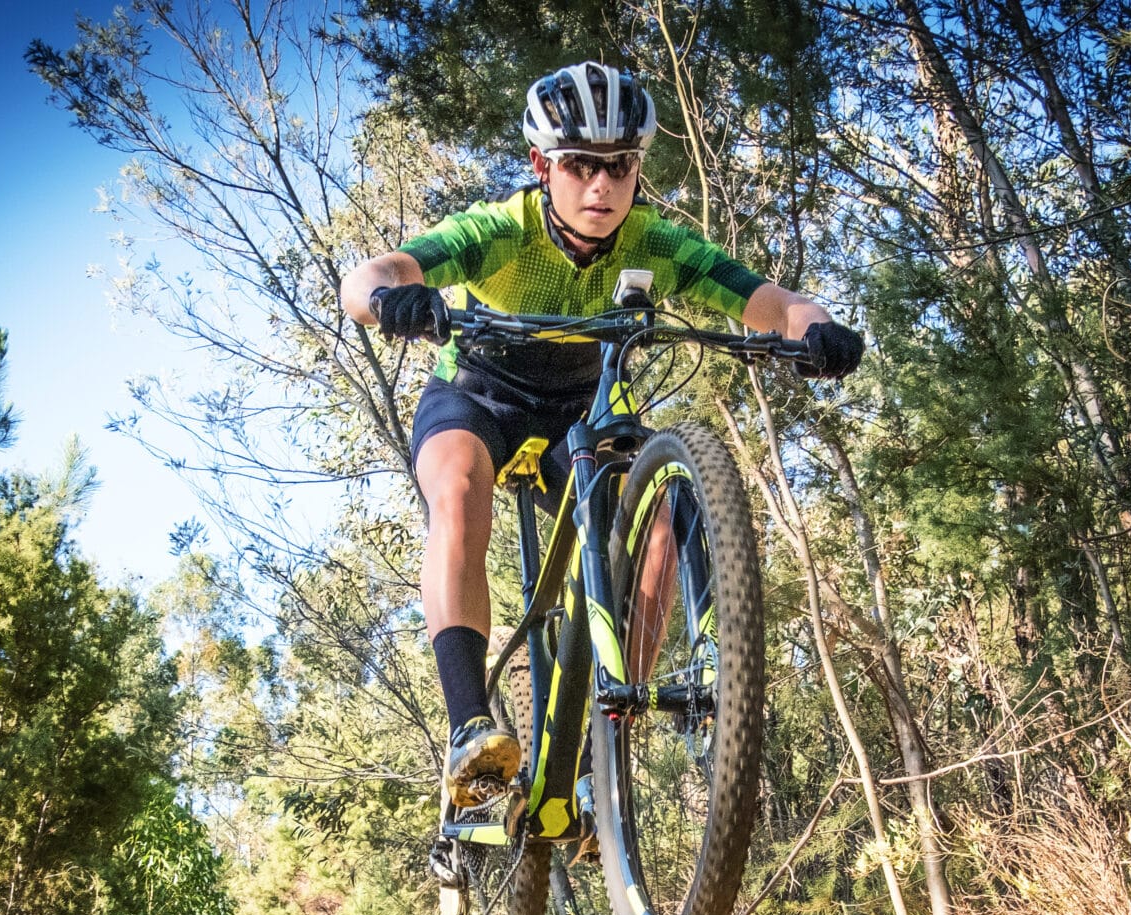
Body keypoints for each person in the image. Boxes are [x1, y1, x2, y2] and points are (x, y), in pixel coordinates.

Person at [341, 60, 864, 807]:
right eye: (580, 164)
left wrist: (818, 331)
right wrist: (391, 298)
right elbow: (372, 272)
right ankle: (469, 728)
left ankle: (601, 760)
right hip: (474, 399)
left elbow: (772, 302)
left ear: (637, 168)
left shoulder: (653, 242)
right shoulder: (501, 231)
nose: (601, 186)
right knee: (457, 486)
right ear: (540, 166)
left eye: (619, 166)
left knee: (658, 526)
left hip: (577, 421)